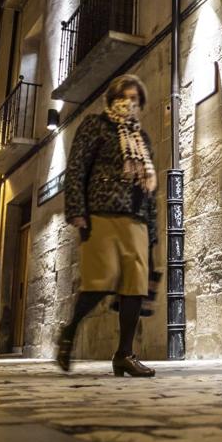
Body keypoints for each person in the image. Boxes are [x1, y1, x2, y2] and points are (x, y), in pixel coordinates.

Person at [57, 74, 158, 377]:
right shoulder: (95, 125)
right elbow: (76, 168)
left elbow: (150, 190)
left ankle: (124, 354)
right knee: (99, 282)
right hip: (101, 213)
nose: (130, 103)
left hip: (136, 217)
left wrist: (152, 231)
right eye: (124, 97)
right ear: (112, 99)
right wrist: (77, 209)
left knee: (134, 287)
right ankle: (69, 332)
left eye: (135, 99)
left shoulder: (142, 138)